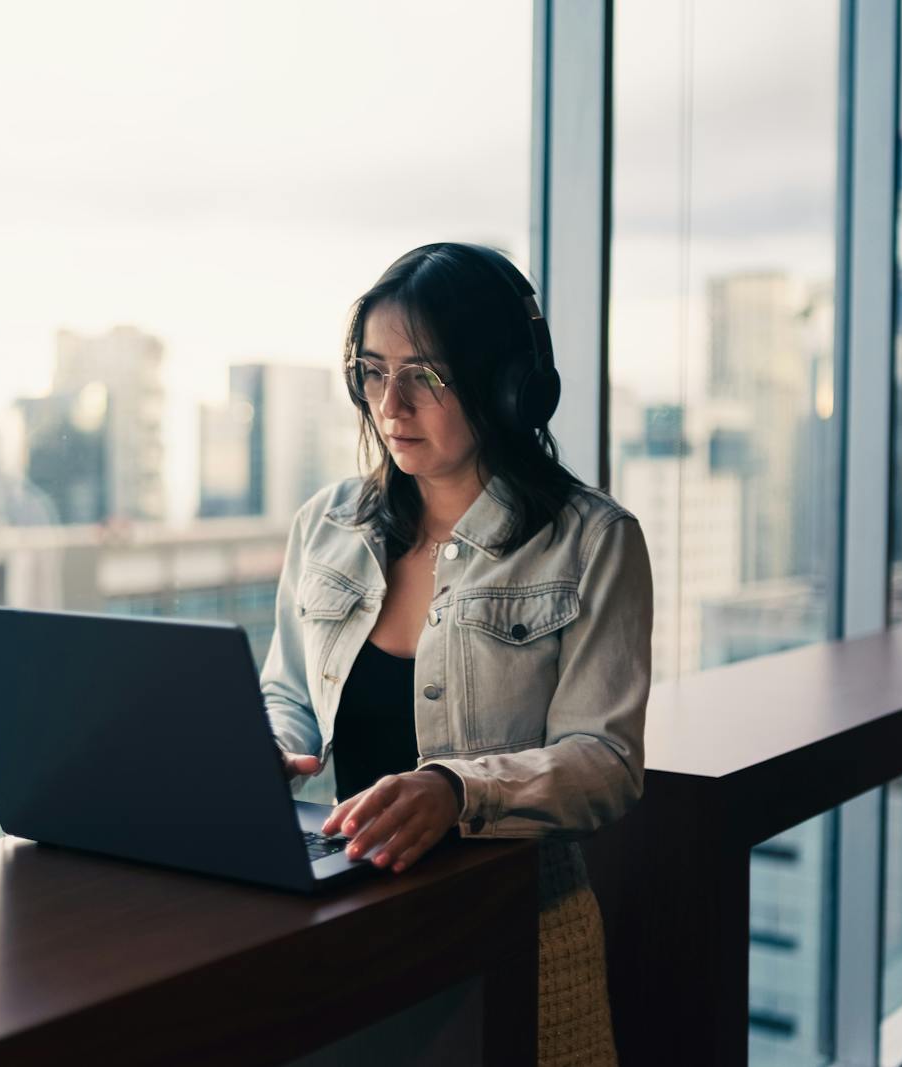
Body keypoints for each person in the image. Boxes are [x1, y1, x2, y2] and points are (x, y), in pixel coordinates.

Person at [260, 242, 652, 1066]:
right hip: (352, 918)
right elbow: (288, 692)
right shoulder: (324, 527)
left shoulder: (592, 541)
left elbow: (606, 760)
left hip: (517, 924)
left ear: (508, 384)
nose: (390, 403)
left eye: (426, 374)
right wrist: (264, 746)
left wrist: (455, 789)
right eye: (372, 371)